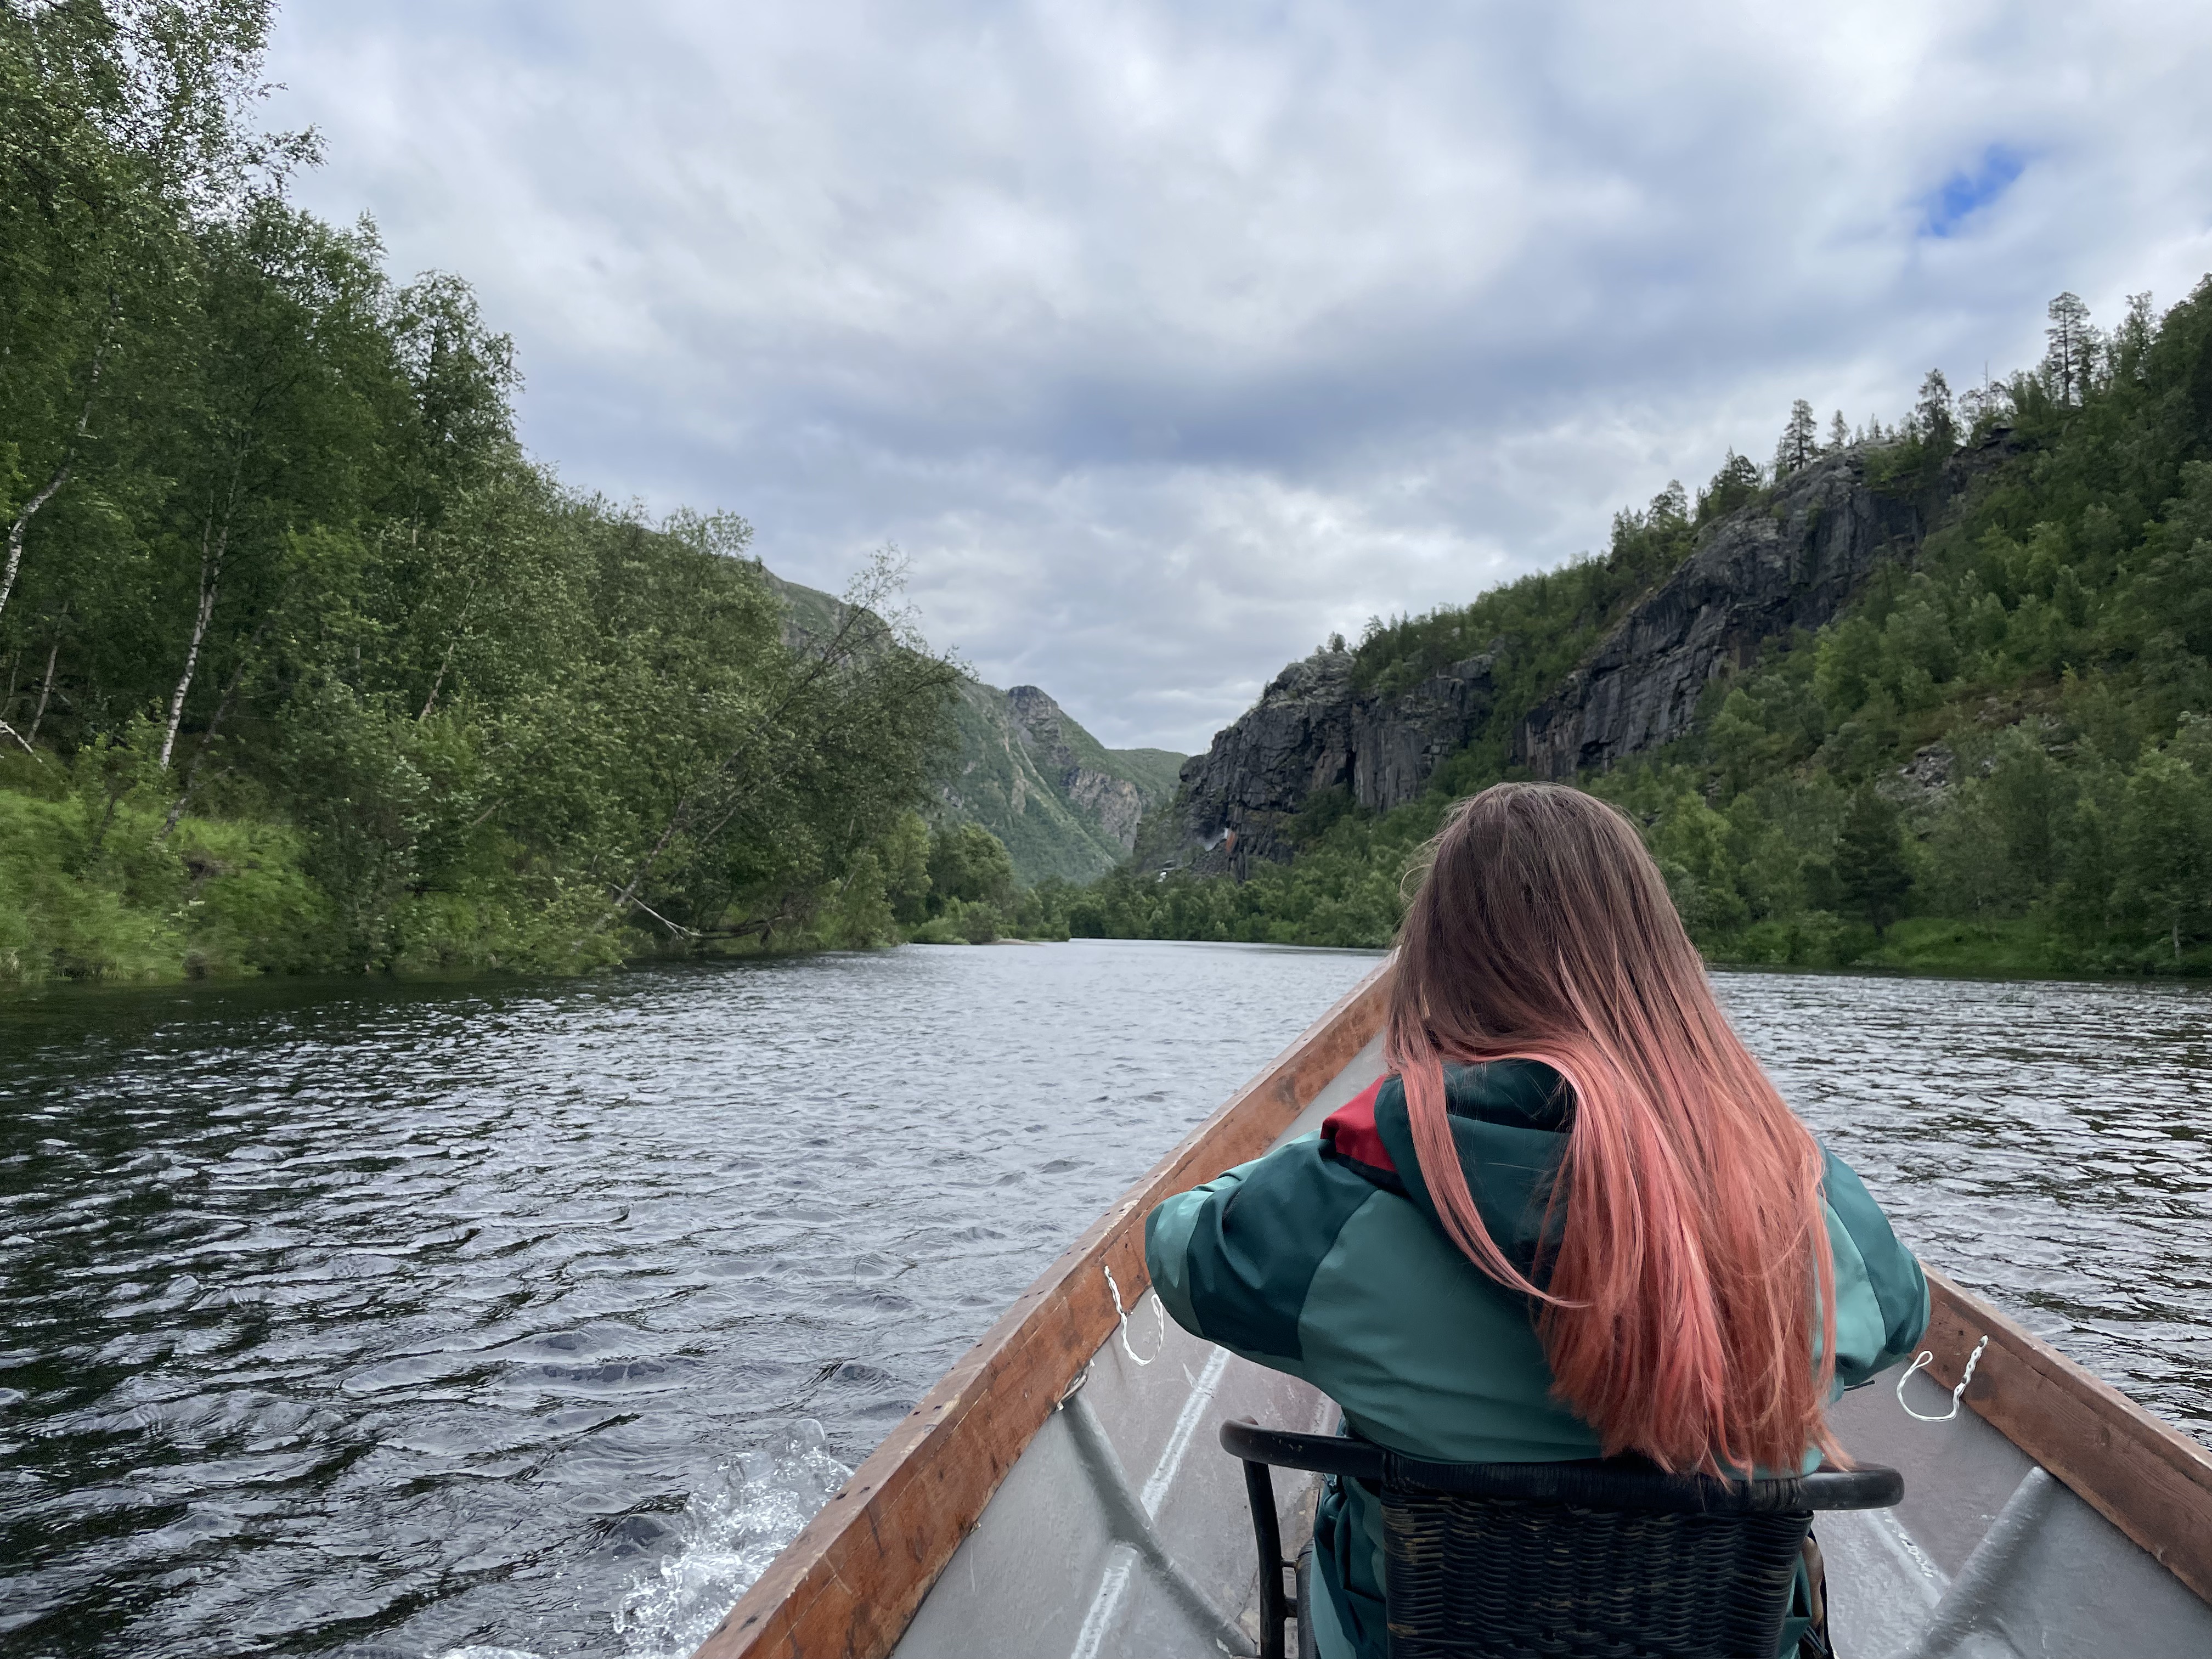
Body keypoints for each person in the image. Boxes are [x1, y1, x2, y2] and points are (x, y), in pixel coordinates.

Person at [1144, 782, 1929, 1659]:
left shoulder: (1350, 1196)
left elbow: (1182, 1248)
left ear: (1444, 973)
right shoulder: (1795, 1185)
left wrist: (1340, 1144)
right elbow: (1901, 1318)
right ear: (1662, 963)